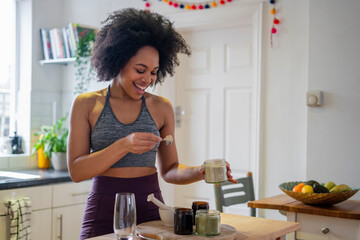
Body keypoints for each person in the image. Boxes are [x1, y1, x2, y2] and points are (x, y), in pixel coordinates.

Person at [67, 8, 237, 240]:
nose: (147, 79)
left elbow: (169, 169)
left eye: (154, 72)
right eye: (140, 70)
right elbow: (76, 171)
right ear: (118, 60)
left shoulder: (161, 107)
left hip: (151, 209)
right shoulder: (86, 104)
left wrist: (201, 171)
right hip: (103, 211)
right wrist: (124, 144)